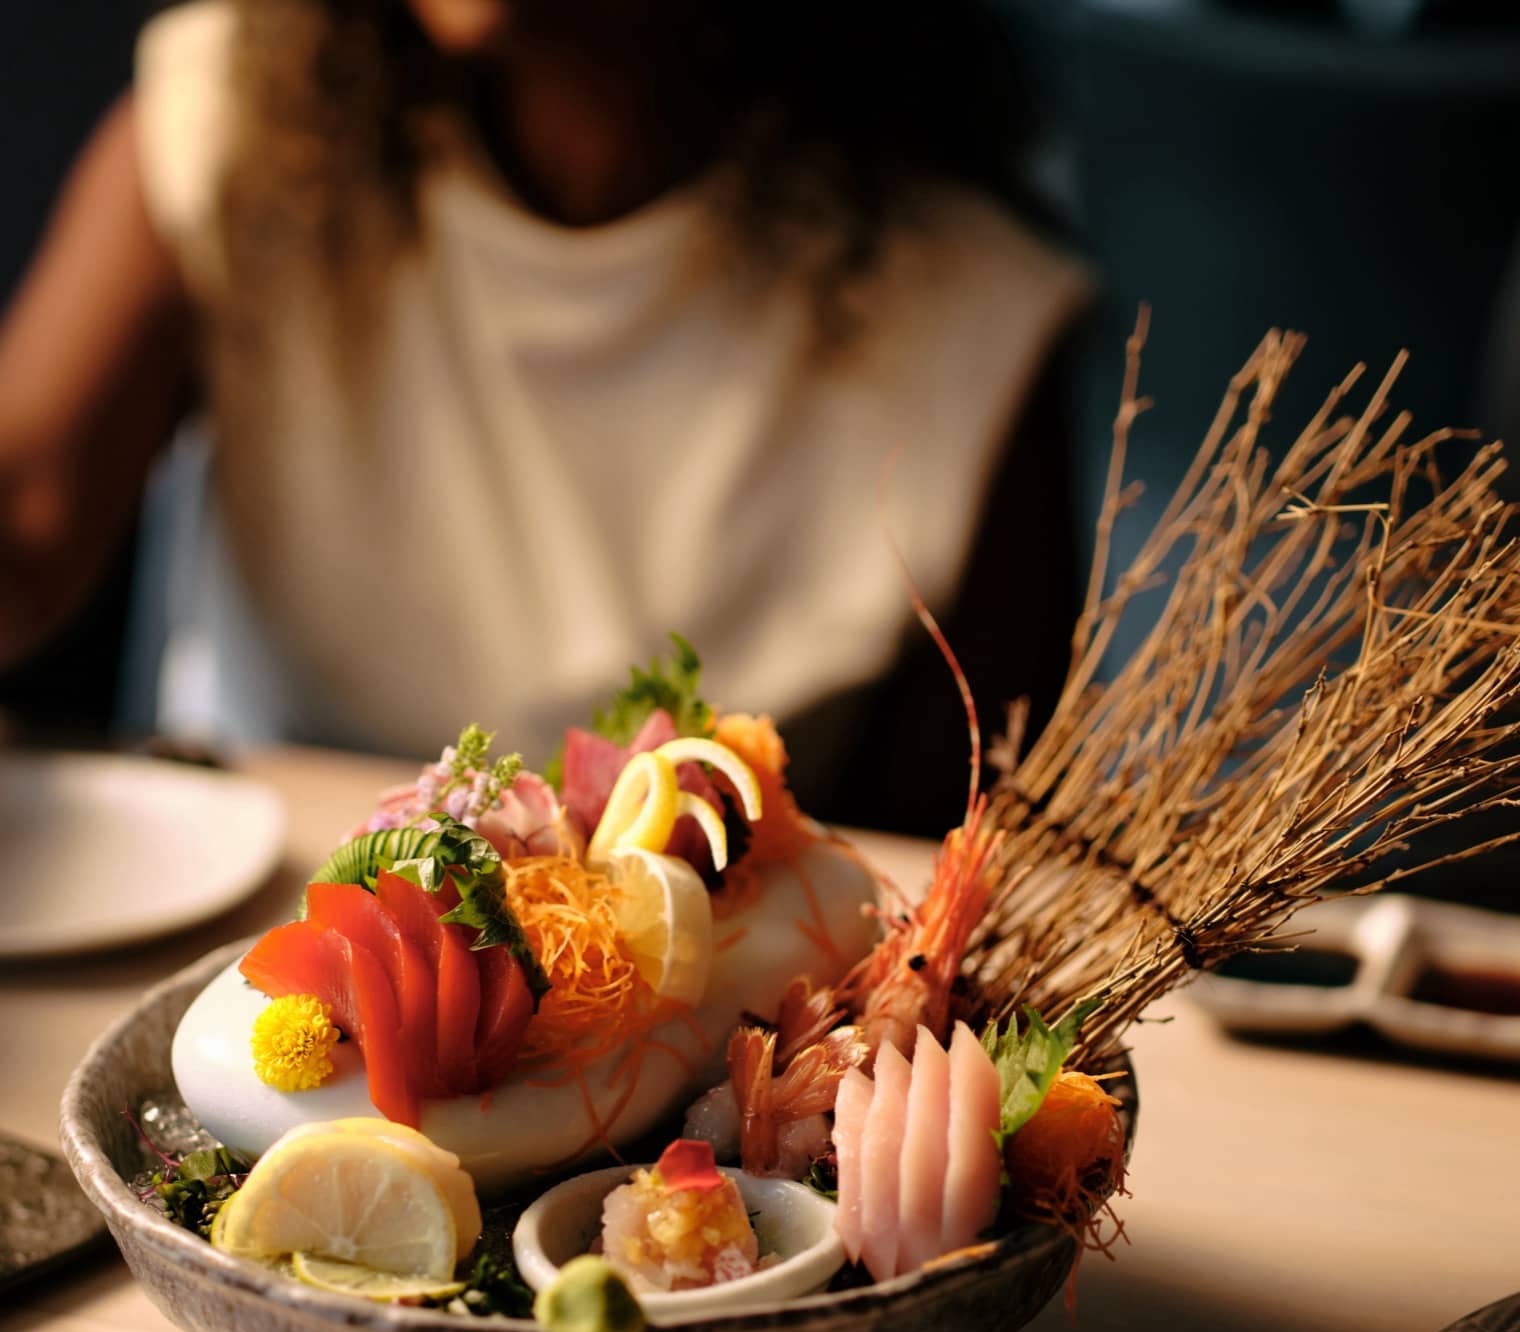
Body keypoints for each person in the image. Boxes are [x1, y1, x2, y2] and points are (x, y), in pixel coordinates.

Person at [0, 0, 1089, 831]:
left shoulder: (972, 319)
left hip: (689, 1021)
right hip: (250, 945)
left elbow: (948, 865)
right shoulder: (242, 118)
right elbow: (24, 519)